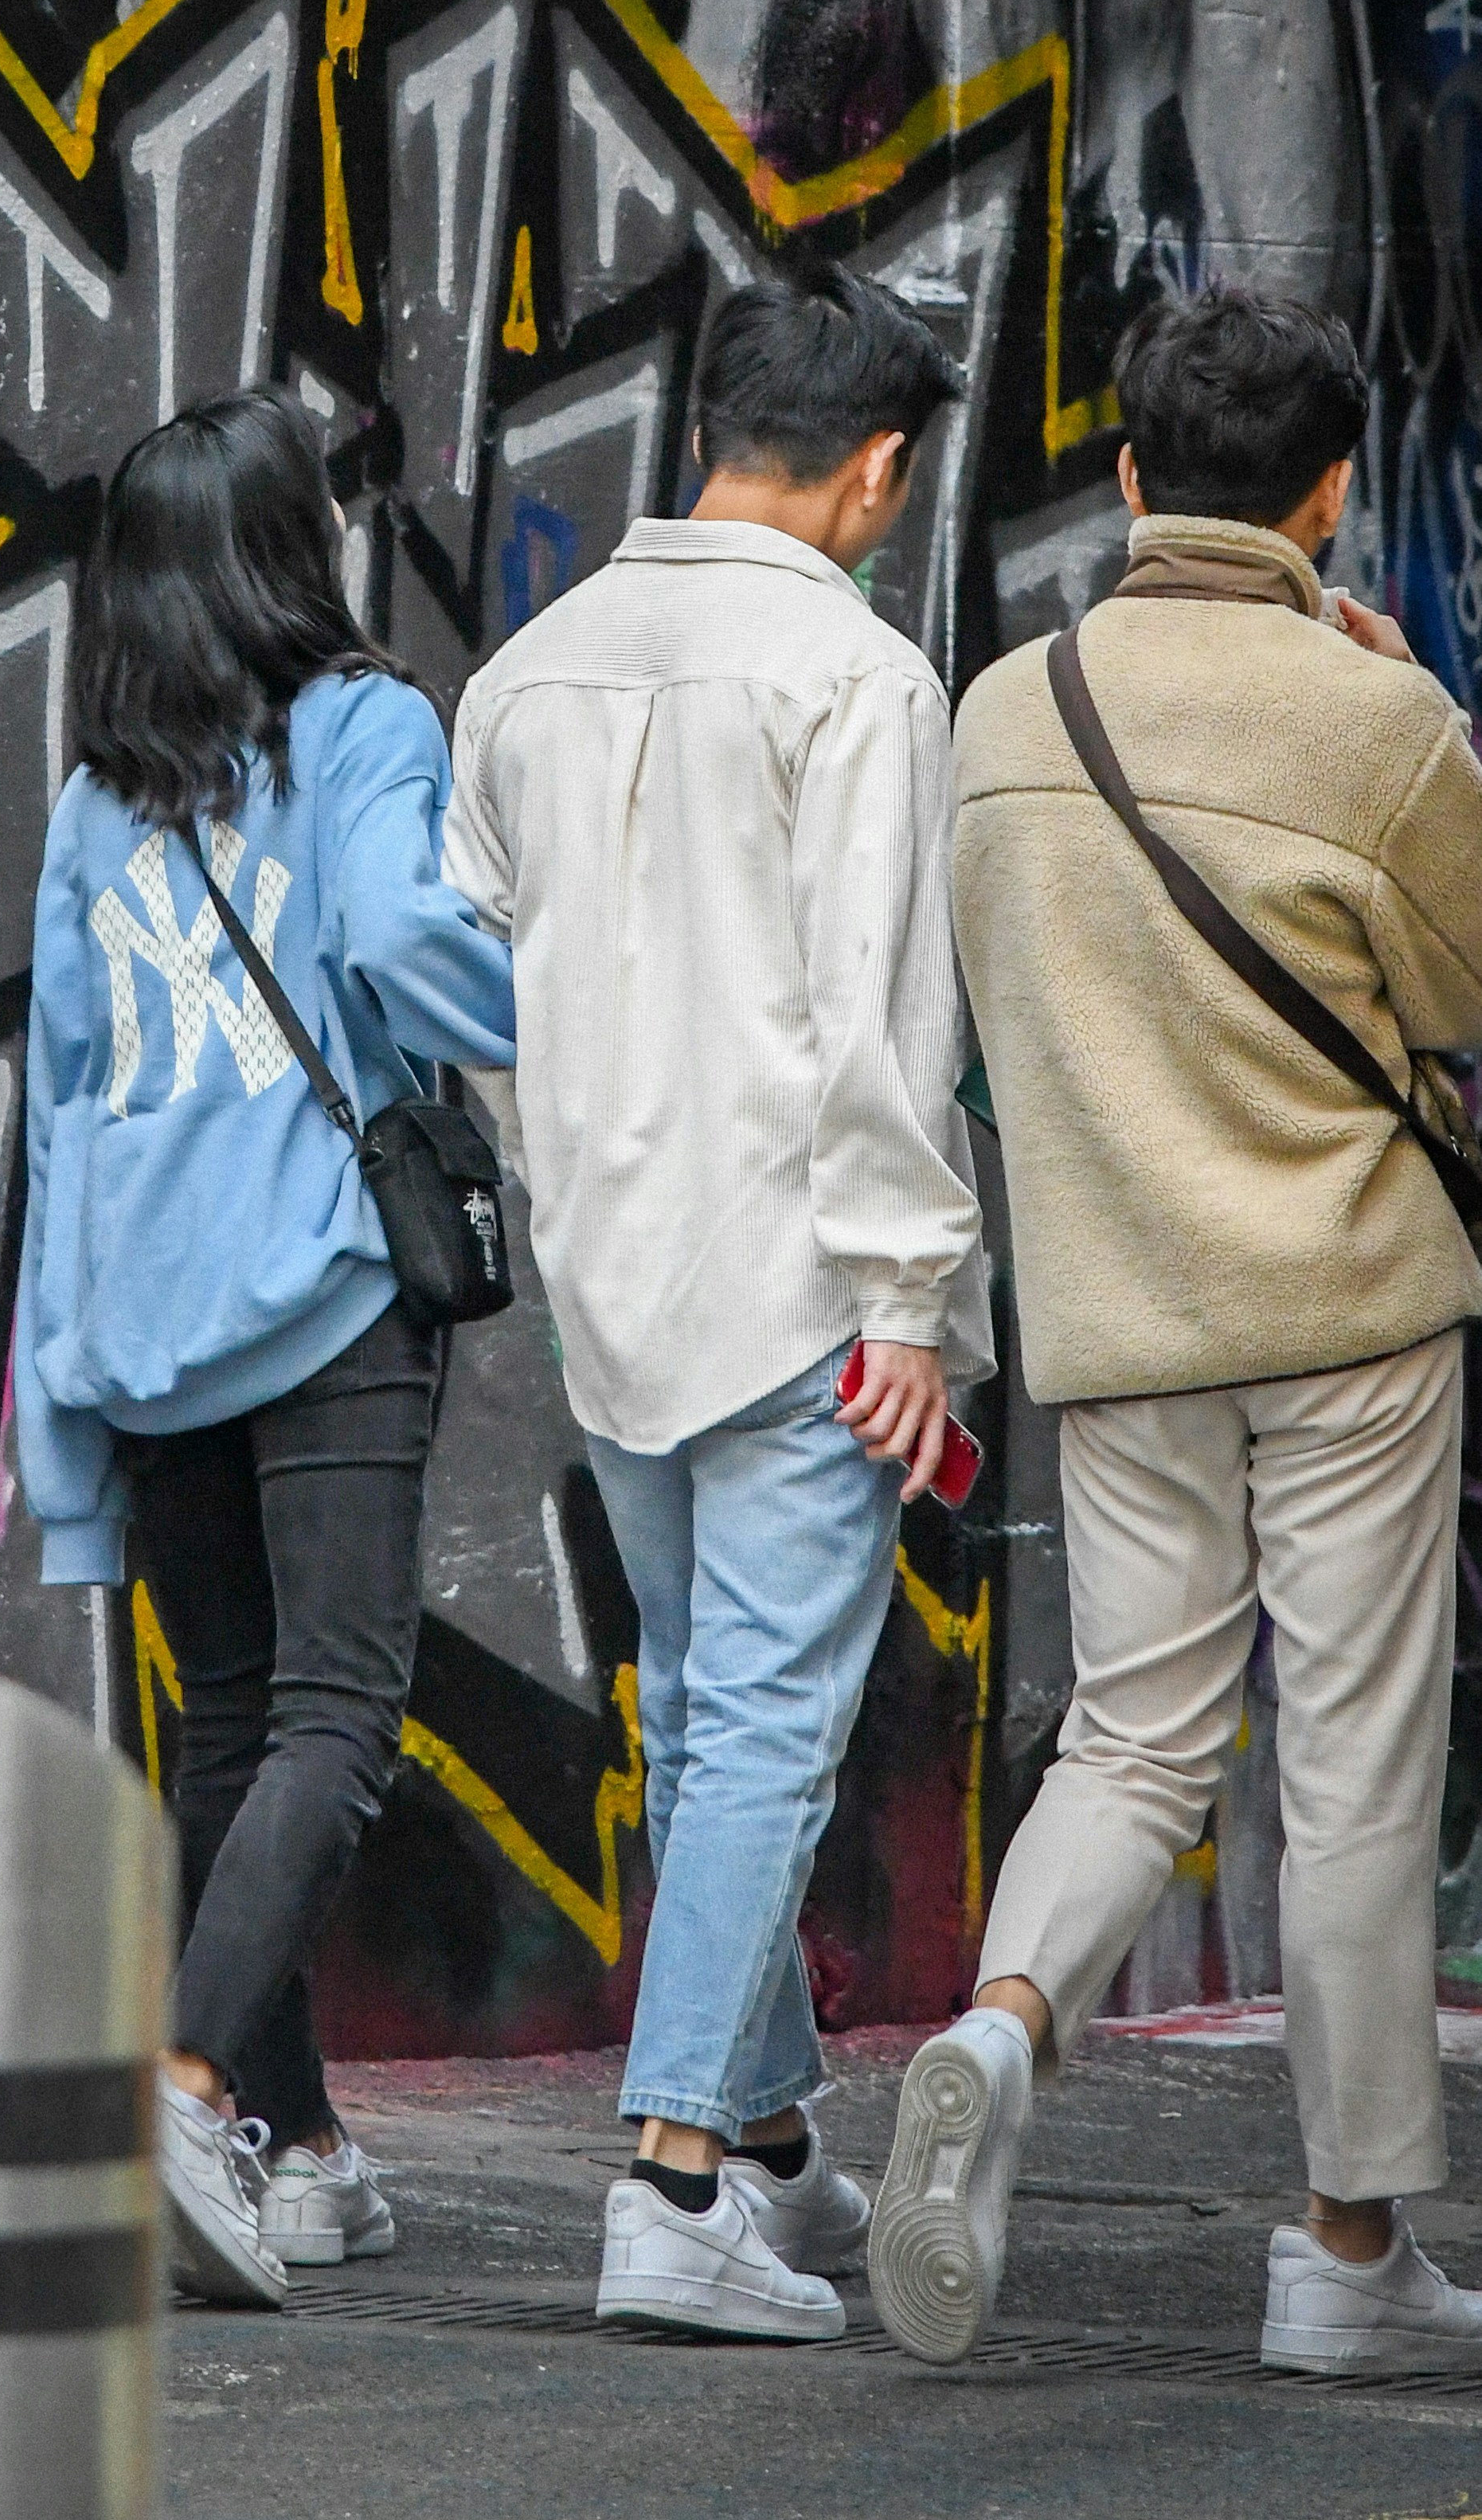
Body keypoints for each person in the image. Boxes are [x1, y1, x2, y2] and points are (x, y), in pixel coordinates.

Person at [870, 288, 1482, 2374]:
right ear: (1328, 493)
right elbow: (1465, 990)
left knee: (1136, 1731)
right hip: (1348, 1306)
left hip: (1122, 1310)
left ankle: (1000, 2018)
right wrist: (1421, 716)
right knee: (1353, 1757)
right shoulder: (1374, 726)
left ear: (1130, 477)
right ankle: (1338, 2247)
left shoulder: (1000, 713)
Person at [443, 263, 992, 2340]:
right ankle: (670, 2173)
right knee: (758, 1710)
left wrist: (561, 1165)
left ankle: (764, 2139)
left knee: (698, 1701)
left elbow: (483, 990)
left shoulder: (527, 668)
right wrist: (911, 1295)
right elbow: (881, 1023)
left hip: (617, 1273)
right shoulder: (860, 677)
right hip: (803, 1283)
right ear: (876, 469)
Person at [13, 386, 517, 2308]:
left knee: (235, 1722)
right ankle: (183, 2080)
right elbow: (399, 933)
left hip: (139, 1320)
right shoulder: (367, 724)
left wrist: (63, 1427)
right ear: (288, 550)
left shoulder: (90, 798)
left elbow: (60, 1102)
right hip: (316, 1296)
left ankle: (294, 2152)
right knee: (335, 1715)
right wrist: (552, 988)